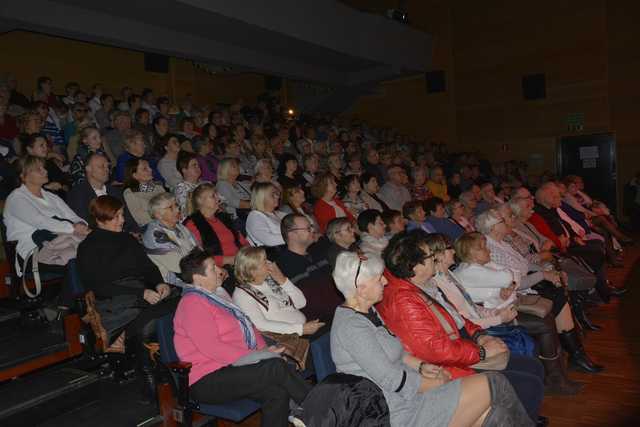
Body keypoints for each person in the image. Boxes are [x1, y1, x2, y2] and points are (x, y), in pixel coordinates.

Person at [331, 251, 533, 427]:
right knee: (494, 382)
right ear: (361, 288)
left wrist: (420, 365)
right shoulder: (352, 327)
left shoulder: (368, 311)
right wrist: (435, 383)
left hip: (408, 393)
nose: (385, 281)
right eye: (378, 279)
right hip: (396, 410)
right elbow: (391, 380)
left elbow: (396, 351)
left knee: (492, 415)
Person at [378, 231, 545, 423]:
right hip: (446, 366)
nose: (434, 258)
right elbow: (436, 351)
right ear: (414, 267)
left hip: (461, 349)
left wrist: (480, 336)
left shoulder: (423, 284)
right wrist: (482, 352)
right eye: (429, 256)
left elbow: (458, 318)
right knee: (528, 384)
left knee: (532, 367)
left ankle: (525, 415)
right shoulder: (403, 300)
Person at [174, 248, 311, 427]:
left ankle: (320, 409)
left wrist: (265, 350)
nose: (219, 271)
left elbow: (250, 328)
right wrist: (258, 356)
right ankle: (324, 409)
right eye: (212, 268)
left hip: (231, 369)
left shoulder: (219, 297)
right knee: (275, 366)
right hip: (206, 379)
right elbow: (212, 348)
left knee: (276, 391)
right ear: (198, 278)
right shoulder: (192, 303)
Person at [77, 195, 177, 401]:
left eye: (122, 215)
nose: (122, 220)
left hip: (140, 293)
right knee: (151, 320)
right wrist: (141, 293)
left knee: (183, 298)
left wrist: (159, 283)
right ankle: (149, 372)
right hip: (113, 302)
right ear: (100, 219)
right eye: (115, 217)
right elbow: (98, 286)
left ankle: (160, 368)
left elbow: (148, 267)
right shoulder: (88, 247)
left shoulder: (127, 239)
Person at [3, 156, 89, 278]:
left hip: (63, 242)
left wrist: (81, 225)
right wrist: (73, 228)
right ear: (23, 176)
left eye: (43, 167)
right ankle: (78, 295)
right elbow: (41, 222)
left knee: (93, 250)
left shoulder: (51, 196)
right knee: (78, 259)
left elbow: (73, 217)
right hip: (33, 252)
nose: (45, 171)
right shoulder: (16, 198)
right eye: (38, 169)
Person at [232, 246, 324, 336]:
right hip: (284, 339)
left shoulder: (269, 280)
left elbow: (301, 302)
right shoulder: (242, 294)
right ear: (252, 270)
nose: (270, 262)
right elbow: (259, 325)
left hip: (300, 332)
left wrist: (282, 280)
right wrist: (300, 329)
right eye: (264, 261)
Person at [276, 214, 343, 323]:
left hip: (343, 311)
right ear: (292, 234)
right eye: (308, 228)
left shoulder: (318, 252)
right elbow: (309, 304)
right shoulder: (284, 266)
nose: (313, 230)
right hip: (323, 322)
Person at [67, 152, 138, 232]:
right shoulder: (78, 194)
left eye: (107, 166)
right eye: (101, 166)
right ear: (88, 169)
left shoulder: (114, 191)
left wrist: (136, 233)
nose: (107, 169)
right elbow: (84, 224)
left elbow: (129, 220)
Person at [143, 193, 197, 285]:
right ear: (158, 215)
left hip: (195, 272)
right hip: (175, 284)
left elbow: (197, 248)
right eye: (171, 208)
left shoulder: (179, 227)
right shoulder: (155, 235)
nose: (177, 209)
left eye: (176, 205)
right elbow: (180, 267)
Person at [122, 158, 166, 227]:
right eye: (145, 169)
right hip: (152, 227)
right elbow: (140, 218)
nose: (150, 170)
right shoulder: (130, 193)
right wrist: (165, 217)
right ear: (135, 175)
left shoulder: (158, 187)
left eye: (149, 167)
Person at [246, 182, 286, 247]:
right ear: (262, 197)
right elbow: (269, 240)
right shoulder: (255, 215)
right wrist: (295, 237)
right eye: (273, 194)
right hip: (267, 254)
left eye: (277, 194)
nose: (277, 196)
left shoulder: (279, 214)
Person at [174, 151, 202, 220]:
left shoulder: (205, 183)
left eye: (198, 165)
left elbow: (222, 202)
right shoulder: (181, 188)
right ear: (184, 170)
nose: (198, 167)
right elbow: (187, 212)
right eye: (194, 165)